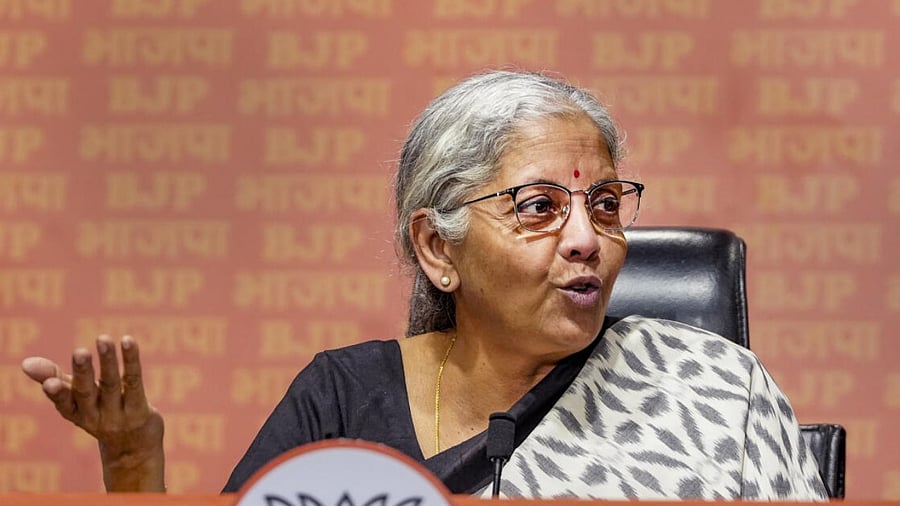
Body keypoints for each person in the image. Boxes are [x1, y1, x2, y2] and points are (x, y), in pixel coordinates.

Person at [21, 69, 828, 500]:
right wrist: (135, 460)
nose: (588, 239)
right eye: (540, 207)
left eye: (607, 204)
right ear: (436, 248)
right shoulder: (342, 396)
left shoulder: (716, 390)